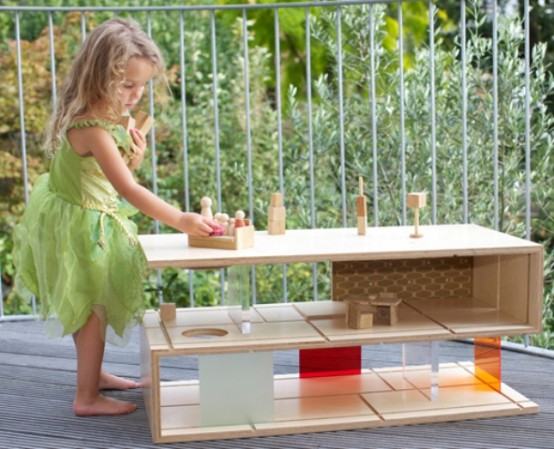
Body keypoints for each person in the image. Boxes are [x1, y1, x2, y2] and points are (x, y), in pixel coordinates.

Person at [12, 18, 220, 417]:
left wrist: (134, 157)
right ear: (99, 76)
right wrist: (181, 219)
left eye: (142, 86)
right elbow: (128, 190)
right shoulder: (94, 128)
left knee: (88, 306)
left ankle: (94, 376)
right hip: (82, 226)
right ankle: (86, 397)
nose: (136, 95)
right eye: (127, 85)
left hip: (73, 213)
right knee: (92, 312)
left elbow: (106, 175)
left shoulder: (103, 115)